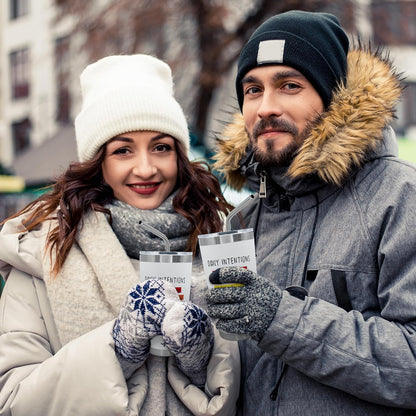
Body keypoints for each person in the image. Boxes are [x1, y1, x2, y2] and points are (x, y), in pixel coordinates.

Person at [0, 54, 240, 415]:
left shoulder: (218, 245)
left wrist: (202, 358)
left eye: (161, 147)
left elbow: (263, 385)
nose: (145, 168)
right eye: (123, 150)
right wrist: (116, 348)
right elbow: (14, 401)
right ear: (99, 164)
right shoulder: (43, 253)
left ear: (179, 156)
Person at [206, 9, 416, 415]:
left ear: (333, 95)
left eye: (288, 85)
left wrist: (279, 317)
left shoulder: (400, 196)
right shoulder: (244, 220)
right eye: (252, 89)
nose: (266, 106)